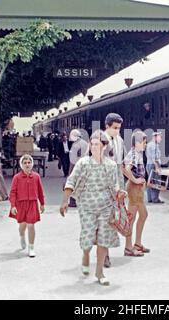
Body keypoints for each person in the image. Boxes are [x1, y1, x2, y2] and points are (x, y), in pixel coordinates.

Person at [60, 130, 126, 286]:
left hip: (106, 207)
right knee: (88, 237)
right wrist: (65, 201)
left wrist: (120, 193)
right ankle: (85, 255)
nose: (93, 147)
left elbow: (115, 186)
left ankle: (99, 272)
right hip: (87, 206)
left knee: (104, 238)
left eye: (97, 144)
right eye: (92, 144)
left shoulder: (110, 165)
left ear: (104, 146)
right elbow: (72, 181)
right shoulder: (83, 163)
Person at [9, 154, 45, 258]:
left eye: (29, 162)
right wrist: (13, 206)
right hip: (21, 204)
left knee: (31, 225)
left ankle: (31, 247)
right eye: (25, 163)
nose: (27, 164)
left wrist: (42, 204)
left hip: (32, 203)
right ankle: (21, 236)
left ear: (32, 164)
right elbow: (13, 193)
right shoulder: (17, 177)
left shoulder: (36, 177)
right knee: (22, 225)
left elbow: (40, 191)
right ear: (21, 164)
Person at [103, 113, 127, 268]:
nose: (117, 131)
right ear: (107, 126)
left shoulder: (119, 140)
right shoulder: (99, 140)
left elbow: (121, 164)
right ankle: (105, 255)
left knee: (113, 219)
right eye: (115, 128)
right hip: (103, 183)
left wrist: (121, 188)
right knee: (104, 221)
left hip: (116, 180)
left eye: (119, 128)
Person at [122, 131, 149, 257]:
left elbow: (123, 167)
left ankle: (137, 244)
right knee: (131, 218)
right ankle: (128, 248)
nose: (145, 144)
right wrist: (135, 180)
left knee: (143, 215)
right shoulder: (134, 154)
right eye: (144, 142)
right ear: (137, 143)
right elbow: (126, 169)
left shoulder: (136, 153)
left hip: (137, 189)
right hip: (134, 188)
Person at [68, 129, 89, 208]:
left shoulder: (75, 145)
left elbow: (72, 159)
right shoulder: (85, 143)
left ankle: (72, 201)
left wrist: (70, 171)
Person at [146, 132, 164, 204]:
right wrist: (157, 167)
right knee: (156, 182)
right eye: (160, 137)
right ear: (155, 137)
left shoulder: (150, 144)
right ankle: (155, 199)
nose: (161, 139)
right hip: (154, 165)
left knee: (150, 181)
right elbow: (154, 158)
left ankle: (150, 198)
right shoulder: (154, 146)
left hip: (149, 164)